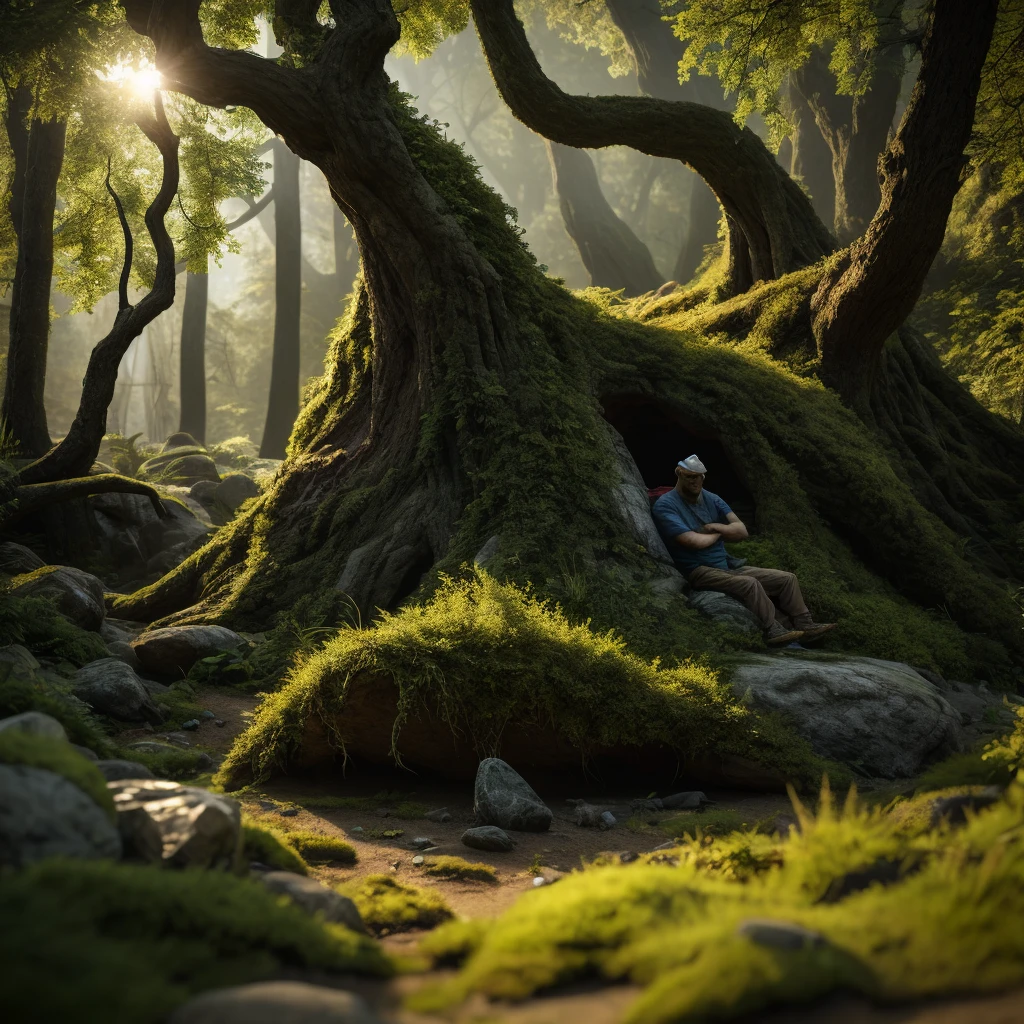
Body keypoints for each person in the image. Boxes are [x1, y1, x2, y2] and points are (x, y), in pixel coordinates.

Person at [651, 454, 837, 646]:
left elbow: (741, 530)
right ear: (679, 474)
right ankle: (772, 629)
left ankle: (805, 623)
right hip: (697, 570)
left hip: (725, 565)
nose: (695, 481)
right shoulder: (666, 505)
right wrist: (722, 533)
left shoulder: (712, 498)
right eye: (690, 476)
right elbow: (692, 540)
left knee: (786, 578)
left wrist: (715, 528)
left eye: (699, 476)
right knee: (750, 583)